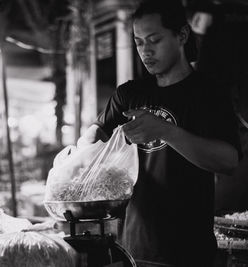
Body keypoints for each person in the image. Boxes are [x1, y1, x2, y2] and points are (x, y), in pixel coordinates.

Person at [78, 0, 240, 266]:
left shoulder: (209, 94)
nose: (145, 51)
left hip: (189, 250)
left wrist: (165, 130)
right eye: (139, 42)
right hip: (132, 248)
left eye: (154, 40)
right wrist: (85, 149)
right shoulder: (129, 95)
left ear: (182, 35)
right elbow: (95, 134)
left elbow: (228, 161)